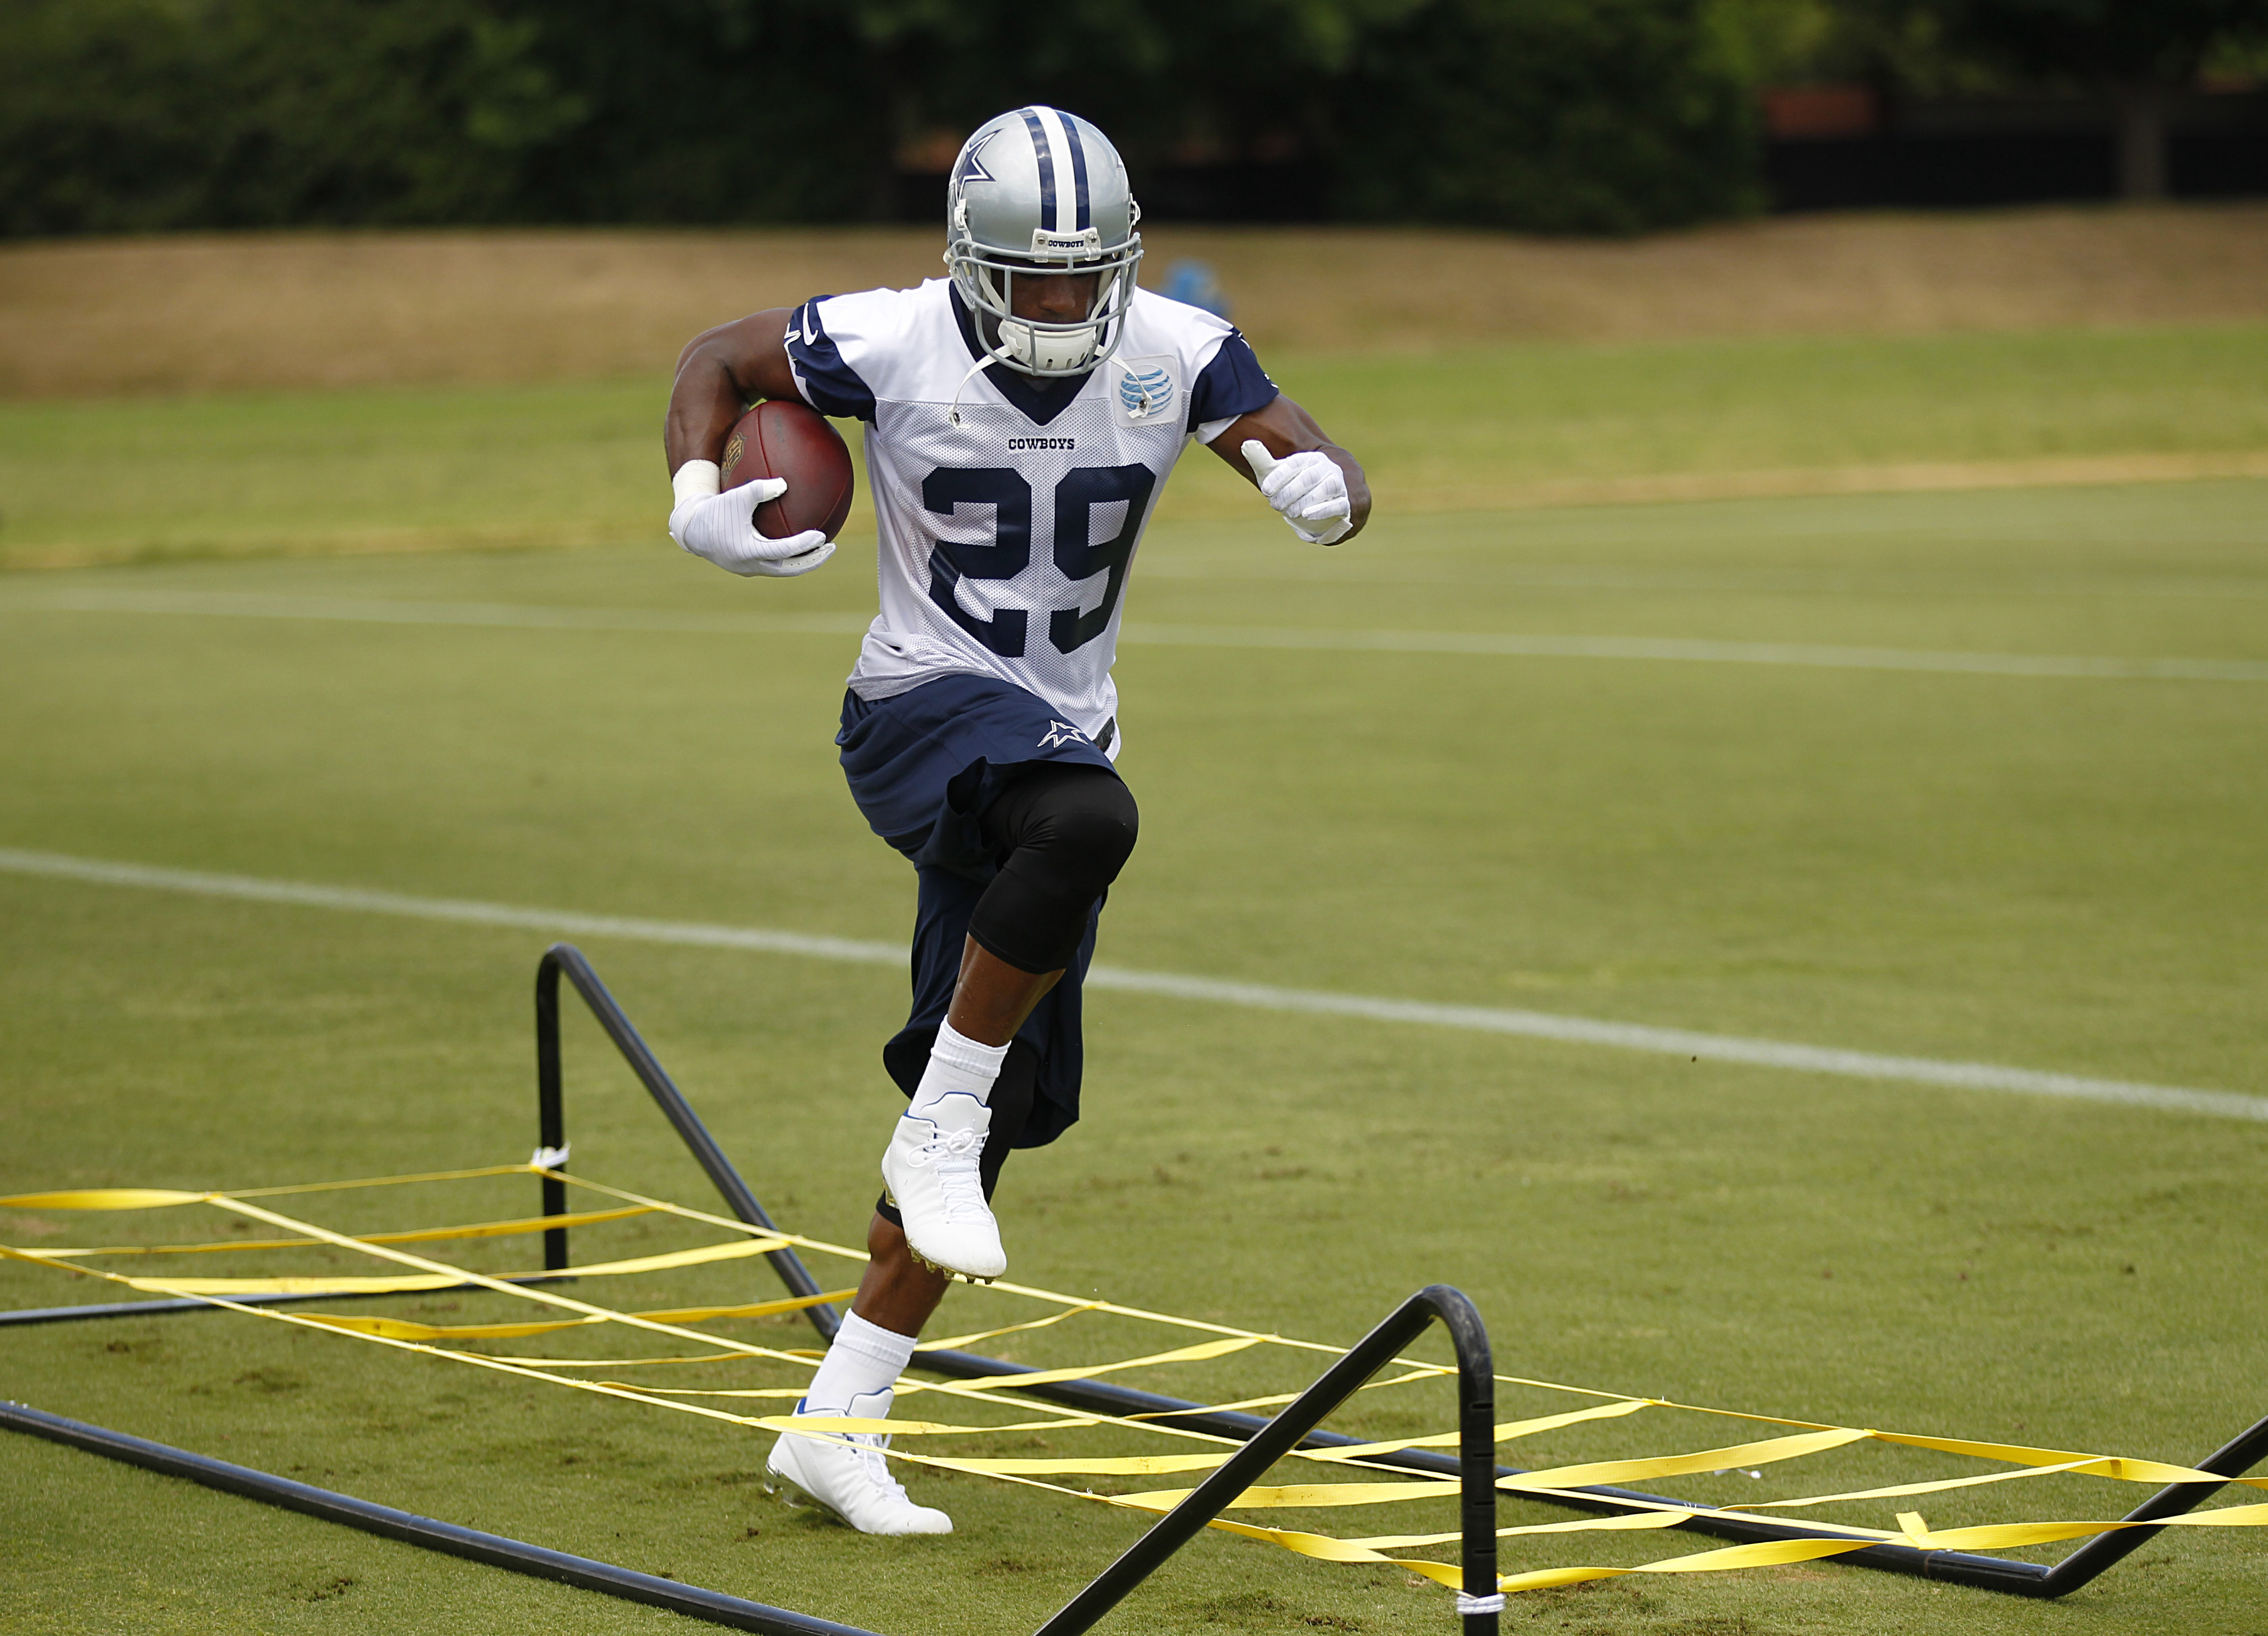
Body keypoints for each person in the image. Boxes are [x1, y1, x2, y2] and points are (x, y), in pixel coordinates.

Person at [661, 105, 1369, 1536]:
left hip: (1052, 735)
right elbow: (718, 360)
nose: (1059, 303)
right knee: (1089, 826)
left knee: (979, 1114)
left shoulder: (1176, 347)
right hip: (921, 707)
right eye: (1031, 278)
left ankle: (836, 1425)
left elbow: (1321, 458)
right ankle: (934, 1135)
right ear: (968, 262)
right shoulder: (894, 334)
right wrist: (694, 494)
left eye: (1083, 276)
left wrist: (1327, 494)